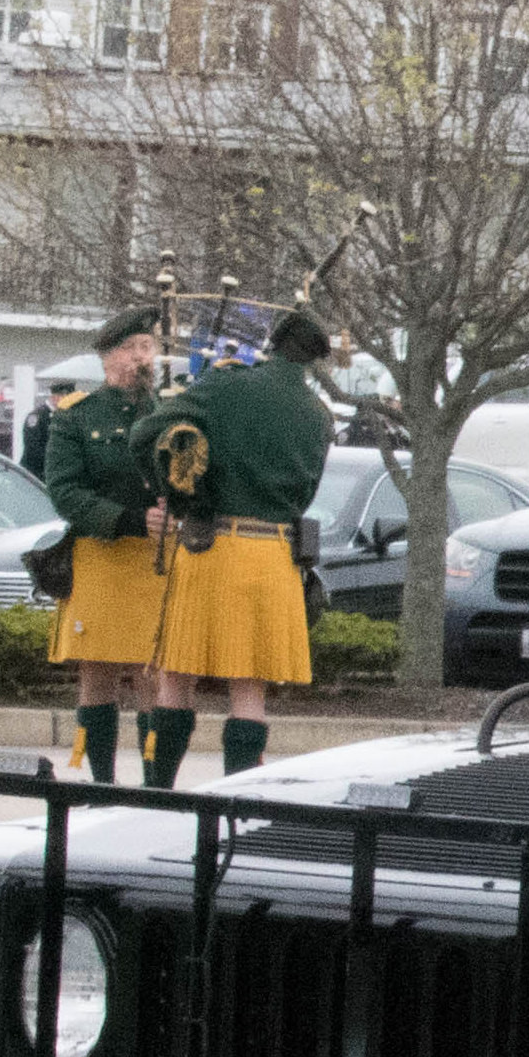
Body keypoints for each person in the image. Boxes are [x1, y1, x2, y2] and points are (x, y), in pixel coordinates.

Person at [128, 308, 336, 784]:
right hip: (275, 557)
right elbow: (307, 492)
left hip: (211, 547)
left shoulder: (225, 387)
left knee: (176, 679)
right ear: (313, 359)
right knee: (249, 693)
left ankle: (159, 794)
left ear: (270, 343)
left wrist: (173, 488)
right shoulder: (318, 415)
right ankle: (235, 805)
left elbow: (146, 435)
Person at [38, 312, 168, 784]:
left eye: (148, 347)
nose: (141, 357)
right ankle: (100, 782)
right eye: (132, 347)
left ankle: (157, 784)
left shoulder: (169, 412)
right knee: (97, 674)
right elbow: (66, 491)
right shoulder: (78, 415)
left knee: (155, 676)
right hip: (101, 555)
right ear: (107, 355)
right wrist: (132, 520)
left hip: (157, 562)